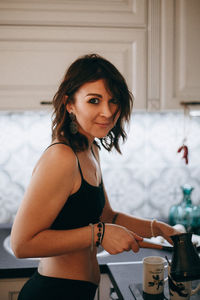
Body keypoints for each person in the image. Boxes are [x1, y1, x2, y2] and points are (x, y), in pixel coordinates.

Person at [11, 54, 180, 300]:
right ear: (70, 104)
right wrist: (99, 234)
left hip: (79, 292)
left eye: (114, 101)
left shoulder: (90, 149)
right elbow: (21, 244)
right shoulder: (62, 157)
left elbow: (107, 216)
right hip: (54, 292)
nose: (108, 112)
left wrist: (158, 228)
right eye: (94, 100)